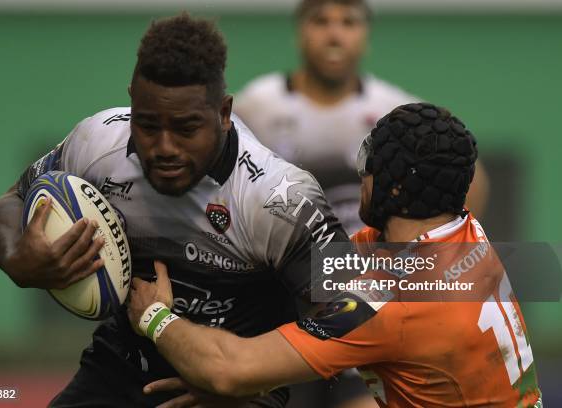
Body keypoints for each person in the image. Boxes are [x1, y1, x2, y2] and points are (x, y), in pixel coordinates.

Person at [0, 13, 350, 407]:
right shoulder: (96, 143)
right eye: (147, 125)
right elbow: (12, 200)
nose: (164, 148)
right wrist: (16, 257)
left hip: (240, 393)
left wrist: (242, 376)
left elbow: (355, 311)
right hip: (122, 367)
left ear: (224, 114)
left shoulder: (278, 197)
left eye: (186, 128)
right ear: (131, 103)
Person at [128, 103, 542, 408]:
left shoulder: (389, 302)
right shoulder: (467, 235)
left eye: (368, 163)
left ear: (394, 190)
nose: (362, 175)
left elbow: (227, 370)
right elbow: (329, 264)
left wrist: (156, 318)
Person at [234, 0, 489, 234]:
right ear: (300, 33)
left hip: (366, 274)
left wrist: (435, 246)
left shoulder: (395, 110)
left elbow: (471, 178)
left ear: (365, 36)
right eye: (320, 21)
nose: (334, 35)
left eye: (349, 22)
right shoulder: (256, 106)